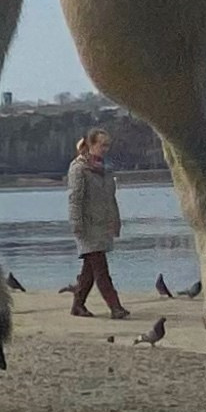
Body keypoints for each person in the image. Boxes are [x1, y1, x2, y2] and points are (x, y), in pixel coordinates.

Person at [66, 128, 128, 319]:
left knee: (90, 270)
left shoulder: (106, 169)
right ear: (91, 144)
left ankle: (78, 305)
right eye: (102, 145)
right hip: (87, 226)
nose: (105, 149)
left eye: (107, 145)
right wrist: (76, 224)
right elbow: (75, 199)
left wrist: (116, 221)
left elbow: (111, 198)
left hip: (103, 225)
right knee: (101, 269)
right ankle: (115, 307)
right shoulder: (78, 168)